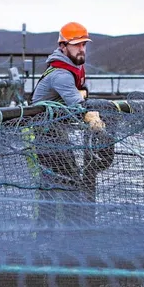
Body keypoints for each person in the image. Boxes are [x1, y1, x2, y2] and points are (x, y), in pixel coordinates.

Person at [29, 22, 113, 224]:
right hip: (45, 134)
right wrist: (95, 121)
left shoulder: (74, 67)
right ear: (63, 46)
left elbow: (81, 92)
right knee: (70, 181)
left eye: (84, 44)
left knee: (51, 185)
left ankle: (46, 233)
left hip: (57, 132)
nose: (81, 49)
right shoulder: (60, 74)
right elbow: (79, 107)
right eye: (76, 45)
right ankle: (70, 232)